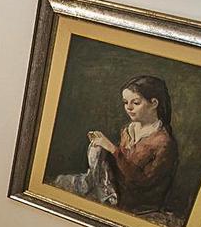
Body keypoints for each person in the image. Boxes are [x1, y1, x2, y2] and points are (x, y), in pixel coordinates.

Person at [54, 75, 178, 214]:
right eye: (125, 102)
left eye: (136, 103)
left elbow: (140, 181)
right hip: (115, 189)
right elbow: (120, 164)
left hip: (137, 203)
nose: (129, 108)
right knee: (62, 182)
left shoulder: (164, 142)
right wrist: (101, 150)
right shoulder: (127, 130)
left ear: (154, 103)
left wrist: (112, 149)